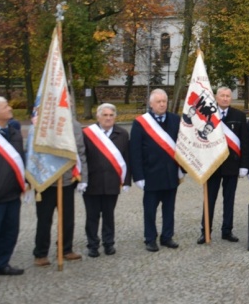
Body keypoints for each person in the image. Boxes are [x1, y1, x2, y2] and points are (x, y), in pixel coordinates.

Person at [130, 88, 182, 252]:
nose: (162, 104)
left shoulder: (176, 120)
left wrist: (183, 170)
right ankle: (150, 239)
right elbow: (135, 151)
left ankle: (167, 236)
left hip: (170, 173)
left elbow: (182, 146)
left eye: (164, 101)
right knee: (150, 210)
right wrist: (138, 176)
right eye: (158, 102)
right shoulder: (140, 123)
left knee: (169, 209)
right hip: (150, 174)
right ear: (151, 104)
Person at [33, 119, 87, 266]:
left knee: (68, 218)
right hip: (46, 181)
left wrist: (83, 177)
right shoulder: (43, 121)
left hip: (67, 179)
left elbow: (80, 152)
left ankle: (65, 249)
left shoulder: (74, 125)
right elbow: (33, 151)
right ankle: (41, 253)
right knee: (44, 219)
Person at [198, 86, 248, 244]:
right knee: (209, 199)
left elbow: (245, 142)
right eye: (222, 95)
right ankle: (205, 231)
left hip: (231, 165)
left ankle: (227, 230)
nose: (225, 98)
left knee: (229, 199)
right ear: (216, 97)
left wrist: (244, 165)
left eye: (228, 96)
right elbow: (200, 140)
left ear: (231, 98)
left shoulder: (239, 116)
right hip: (212, 166)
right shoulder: (207, 115)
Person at [81, 103, 130, 257]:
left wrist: (127, 181)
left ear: (115, 117)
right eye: (105, 115)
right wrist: (82, 179)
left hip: (112, 182)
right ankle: (93, 245)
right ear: (98, 116)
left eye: (111, 115)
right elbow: (82, 158)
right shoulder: (87, 134)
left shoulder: (122, 134)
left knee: (109, 215)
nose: (108, 118)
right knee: (92, 216)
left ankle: (109, 243)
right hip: (92, 183)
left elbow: (127, 158)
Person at [0, 97, 25, 285]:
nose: (10, 108)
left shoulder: (13, 131)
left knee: (10, 232)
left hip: (12, 193)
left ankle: (1, 264)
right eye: (5, 107)